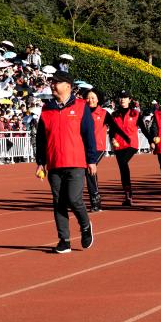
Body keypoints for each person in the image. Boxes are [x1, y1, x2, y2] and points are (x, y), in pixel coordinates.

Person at [35, 71, 96, 254]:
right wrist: (40, 162)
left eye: (56, 82)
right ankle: (64, 240)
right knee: (58, 202)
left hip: (76, 161)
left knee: (74, 198)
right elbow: (40, 139)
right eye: (52, 82)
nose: (53, 85)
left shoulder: (81, 106)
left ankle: (85, 226)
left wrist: (92, 160)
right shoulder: (46, 110)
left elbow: (88, 134)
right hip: (54, 163)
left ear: (68, 86)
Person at [84, 88, 128, 212]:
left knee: (88, 169)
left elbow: (114, 127)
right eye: (88, 97)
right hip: (84, 147)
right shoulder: (82, 112)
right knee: (87, 171)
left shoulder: (104, 113)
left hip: (98, 147)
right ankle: (93, 198)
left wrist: (118, 138)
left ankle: (95, 200)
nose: (90, 100)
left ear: (98, 99)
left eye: (93, 98)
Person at [110, 90, 143, 207]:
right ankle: (127, 196)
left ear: (130, 100)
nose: (123, 99)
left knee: (123, 163)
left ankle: (129, 194)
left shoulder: (135, 113)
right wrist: (112, 139)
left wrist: (150, 140)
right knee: (123, 169)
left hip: (131, 145)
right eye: (121, 97)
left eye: (125, 97)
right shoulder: (114, 115)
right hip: (118, 145)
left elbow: (143, 128)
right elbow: (112, 131)